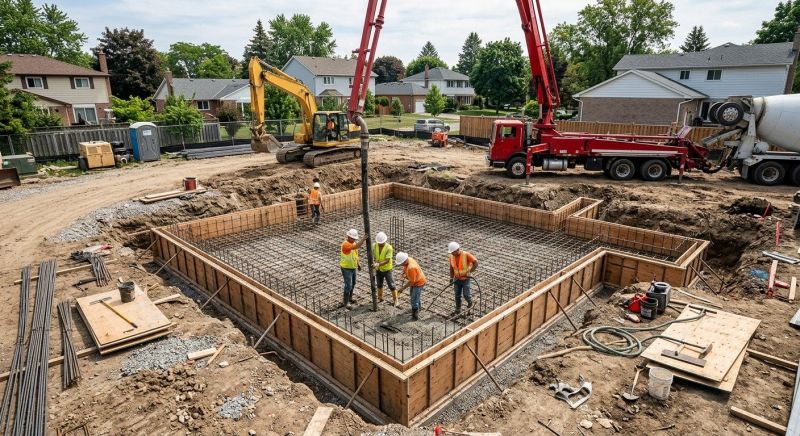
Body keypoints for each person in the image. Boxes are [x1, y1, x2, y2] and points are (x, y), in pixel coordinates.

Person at [448, 242, 478, 314]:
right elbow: (451, 268)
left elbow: (476, 262)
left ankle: (470, 303)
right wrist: (451, 278)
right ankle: (458, 309)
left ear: (457, 250)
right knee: (457, 296)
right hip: (457, 279)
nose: (451, 253)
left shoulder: (466, 254)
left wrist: (470, 272)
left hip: (465, 280)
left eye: (452, 252)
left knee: (466, 295)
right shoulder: (451, 256)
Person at [394, 252, 426, 320]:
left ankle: (415, 316)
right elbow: (405, 268)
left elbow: (412, 281)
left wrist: (402, 288)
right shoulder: (408, 259)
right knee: (414, 296)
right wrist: (404, 273)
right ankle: (418, 308)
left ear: (404, 261)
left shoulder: (411, 267)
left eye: (401, 263)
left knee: (414, 299)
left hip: (418, 283)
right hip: (416, 280)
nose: (400, 265)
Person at [340, 229, 366, 309]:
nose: (354, 240)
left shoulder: (353, 243)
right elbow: (356, 246)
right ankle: (346, 302)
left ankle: (350, 298)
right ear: (348, 237)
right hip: (346, 268)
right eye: (353, 238)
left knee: (353, 283)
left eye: (355, 239)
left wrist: (358, 264)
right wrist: (363, 239)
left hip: (353, 267)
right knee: (348, 285)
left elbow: (355, 254)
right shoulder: (345, 244)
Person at [371, 232, 395, 304]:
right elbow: (371, 254)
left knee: (391, 285)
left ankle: (395, 300)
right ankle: (380, 298)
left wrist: (377, 264)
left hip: (387, 270)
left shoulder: (389, 248)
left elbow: (387, 260)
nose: (380, 244)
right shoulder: (374, 246)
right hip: (378, 270)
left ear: (385, 241)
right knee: (379, 284)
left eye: (381, 243)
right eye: (379, 243)